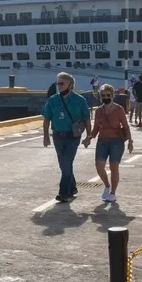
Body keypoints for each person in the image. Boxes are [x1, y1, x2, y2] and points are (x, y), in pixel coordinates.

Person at [42, 72, 92, 203]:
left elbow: (87, 118)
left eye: (61, 83)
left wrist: (88, 136)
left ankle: (64, 193)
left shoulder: (80, 100)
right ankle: (73, 187)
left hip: (73, 136)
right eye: (57, 83)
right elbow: (46, 119)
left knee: (66, 162)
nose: (58, 86)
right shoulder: (53, 100)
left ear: (70, 84)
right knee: (64, 165)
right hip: (58, 136)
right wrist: (46, 136)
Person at [84, 84, 133, 202]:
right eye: (103, 95)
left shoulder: (119, 109)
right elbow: (96, 127)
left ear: (112, 95)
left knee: (113, 166)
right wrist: (89, 138)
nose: (105, 97)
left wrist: (130, 141)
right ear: (100, 97)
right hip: (102, 141)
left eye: (108, 95)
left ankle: (113, 193)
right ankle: (107, 185)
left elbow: (126, 126)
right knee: (99, 166)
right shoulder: (99, 111)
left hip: (117, 141)